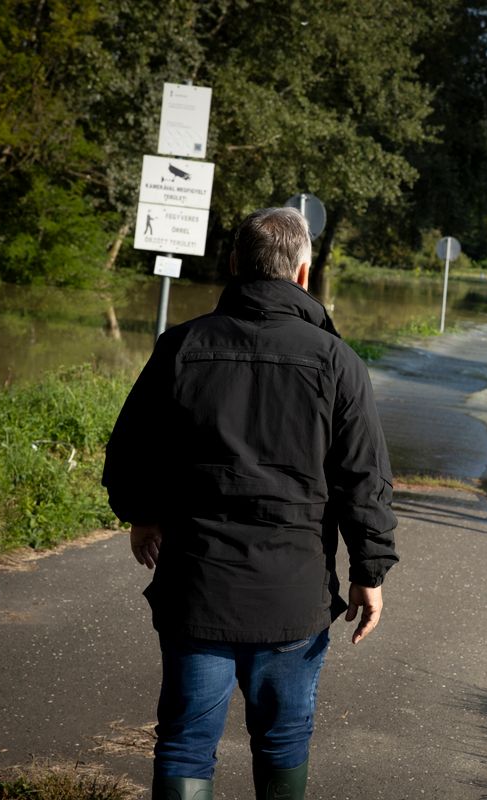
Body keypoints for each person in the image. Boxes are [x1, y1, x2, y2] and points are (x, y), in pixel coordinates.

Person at [102, 207, 398, 800]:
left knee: (186, 742)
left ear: (234, 265)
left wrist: (143, 514)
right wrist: (370, 572)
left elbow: (131, 451)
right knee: (283, 741)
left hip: (197, 587)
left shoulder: (181, 347)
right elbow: (362, 479)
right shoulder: (337, 363)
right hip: (293, 594)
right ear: (303, 273)